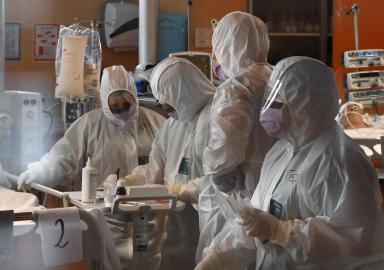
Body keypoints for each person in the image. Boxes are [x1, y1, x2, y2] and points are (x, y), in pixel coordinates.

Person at [196, 56, 384, 270]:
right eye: (271, 99)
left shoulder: (338, 162)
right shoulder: (280, 152)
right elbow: (256, 221)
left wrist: (282, 232)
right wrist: (218, 259)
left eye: (278, 103)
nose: (268, 110)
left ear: (307, 103)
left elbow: (354, 240)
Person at [15, 65, 166, 270]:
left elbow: (171, 161)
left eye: (126, 103)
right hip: (104, 222)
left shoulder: (156, 123)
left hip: (151, 221)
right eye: (115, 105)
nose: (121, 109)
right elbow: (62, 159)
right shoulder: (89, 125)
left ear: (134, 96)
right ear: (104, 102)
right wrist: (38, 172)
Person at [125, 57, 215, 270]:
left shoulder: (216, 118)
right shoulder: (173, 124)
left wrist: (184, 190)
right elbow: (156, 166)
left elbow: (220, 179)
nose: (166, 109)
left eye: (169, 103)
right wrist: (133, 180)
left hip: (206, 221)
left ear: (184, 92)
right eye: (163, 104)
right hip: (174, 226)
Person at [198, 11, 275, 261]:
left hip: (247, 186)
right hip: (282, 182)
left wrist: (218, 171)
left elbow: (227, 143)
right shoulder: (278, 76)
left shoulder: (235, 88)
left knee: (239, 251)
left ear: (225, 45)